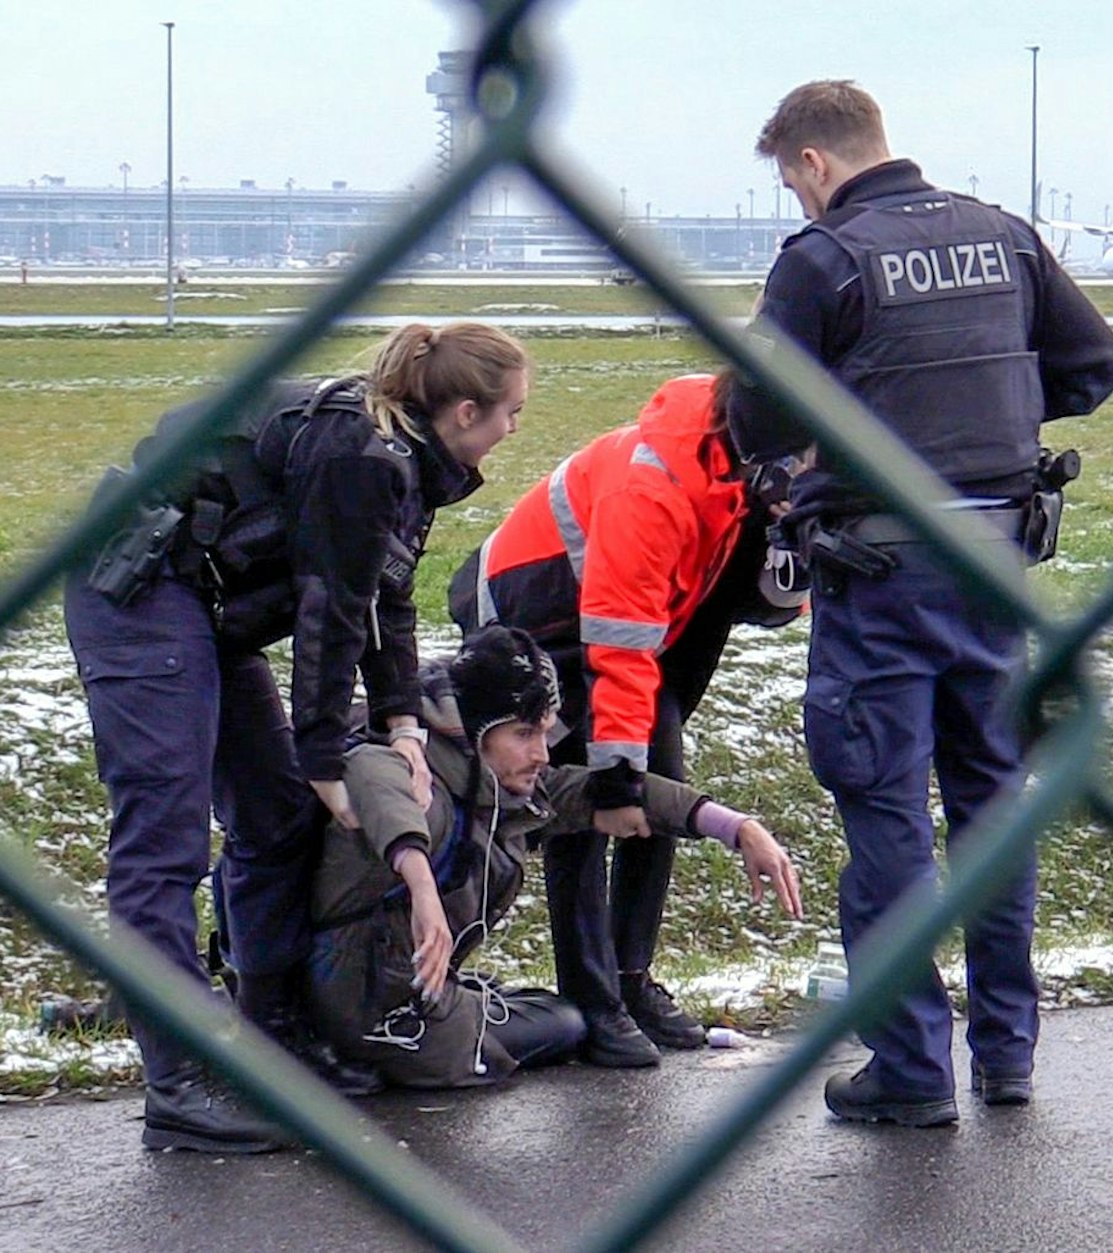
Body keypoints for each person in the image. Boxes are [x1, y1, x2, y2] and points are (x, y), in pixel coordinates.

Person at [729, 80, 1113, 1127]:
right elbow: (1094, 364)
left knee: (887, 818)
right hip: (996, 565)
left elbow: (752, 409)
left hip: (877, 574)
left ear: (814, 163)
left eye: (790, 182)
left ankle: (910, 1069)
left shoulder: (824, 260)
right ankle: (1006, 1053)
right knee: (994, 808)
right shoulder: (1003, 236)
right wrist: (988, 413)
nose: (796, 202)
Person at [64, 321, 531, 1153]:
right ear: (463, 411)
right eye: (510, 415)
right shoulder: (362, 457)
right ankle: (182, 1078)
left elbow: (384, 598)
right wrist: (322, 754)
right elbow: (328, 616)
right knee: (164, 843)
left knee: (274, 816)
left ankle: (269, 1027)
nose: (513, 431)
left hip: (209, 607)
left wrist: (401, 724)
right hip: (137, 589)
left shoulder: (408, 463)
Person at [449, 371, 795, 1064]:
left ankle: (631, 979)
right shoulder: (654, 483)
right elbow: (618, 641)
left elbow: (743, 604)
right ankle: (591, 994)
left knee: (659, 774)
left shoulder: (736, 464)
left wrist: (793, 548)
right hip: (536, 610)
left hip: (623, 626)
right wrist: (616, 776)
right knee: (589, 795)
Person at [304, 625, 802, 1088]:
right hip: (364, 1005)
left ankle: (446, 1016)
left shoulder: (497, 788)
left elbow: (606, 792)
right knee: (561, 1026)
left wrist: (738, 827)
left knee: (555, 1014)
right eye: (523, 734)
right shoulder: (417, 777)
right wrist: (420, 883)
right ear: (475, 732)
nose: (542, 753)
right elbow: (376, 779)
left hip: (399, 989)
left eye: (543, 732)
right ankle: (364, 1053)